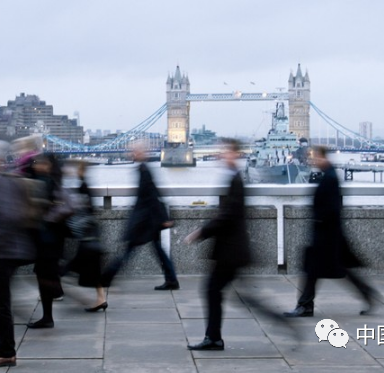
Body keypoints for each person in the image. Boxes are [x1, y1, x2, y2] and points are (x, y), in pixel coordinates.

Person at [284, 146, 379, 317]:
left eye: (315, 158)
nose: (313, 161)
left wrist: (319, 221)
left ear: (323, 158)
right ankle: (367, 293)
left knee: (314, 270)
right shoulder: (329, 175)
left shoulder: (329, 178)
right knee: (337, 270)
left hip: (326, 235)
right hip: (329, 234)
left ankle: (305, 305)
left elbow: (332, 208)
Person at [183, 138, 250, 350]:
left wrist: (201, 231)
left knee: (213, 290)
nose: (222, 154)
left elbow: (229, 215)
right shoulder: (234, 178)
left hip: (231, 251)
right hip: (231, 250)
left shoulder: (236, 180)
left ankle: (213, 338)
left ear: (236, 154)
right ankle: (213, 337)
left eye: (227, 151)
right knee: (216, 291)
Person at [0, 139, 38, 368]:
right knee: (0, 300)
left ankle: (6, 353)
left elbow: (9, 218)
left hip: (7, 251)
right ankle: (7, 349)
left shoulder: (3, 184)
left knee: (0, 303)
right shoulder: (5, 181)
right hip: (9, 250)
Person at [102, 143, 179, 290]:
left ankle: (107, 277)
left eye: (136, 151)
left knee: (128, 250)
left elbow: (151, 196)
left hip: (144, 221)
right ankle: (171, 280)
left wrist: (163, 219)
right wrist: (163, 218)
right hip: (148, 220)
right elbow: (154, 194)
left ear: (142, 154)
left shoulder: (144, 170)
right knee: (157, 251)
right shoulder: (144, 169)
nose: (133, 154)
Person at [27, 153, 71, 329]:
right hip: (51, 238)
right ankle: (47, 315)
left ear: (48, 165)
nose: (36, 165)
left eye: (39, 163)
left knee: (44, 275)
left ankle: (47, 316)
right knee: (45, 274)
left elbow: (38, 208)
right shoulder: (52, 181)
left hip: (47, 238)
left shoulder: (46, 182)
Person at [65, 160, 107, 312]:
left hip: (86, 236)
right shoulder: (85, 184)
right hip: (91, 235)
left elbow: (80, 210)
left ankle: (53, 290)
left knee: (69, 268)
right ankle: (101, 298)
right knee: (92, 269)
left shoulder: (82, 186)